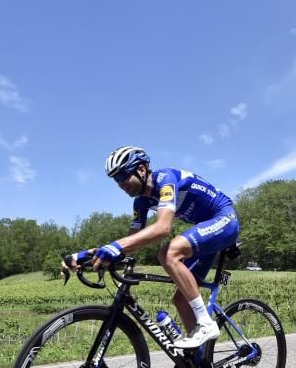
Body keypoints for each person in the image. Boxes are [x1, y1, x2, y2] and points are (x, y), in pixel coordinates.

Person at [61, 146, 239, 351]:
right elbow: (131, 241)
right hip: (205, 230)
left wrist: (116, 247)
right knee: (181, 299)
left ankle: (206, 324)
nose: (120, 184)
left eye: (123, 176)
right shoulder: (141, 202)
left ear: (142, 170)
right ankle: (200, 365)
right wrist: (87, 255)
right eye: (116, 180)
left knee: (168, 253)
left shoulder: (166, 179)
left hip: (224, 219)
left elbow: (163, 228)